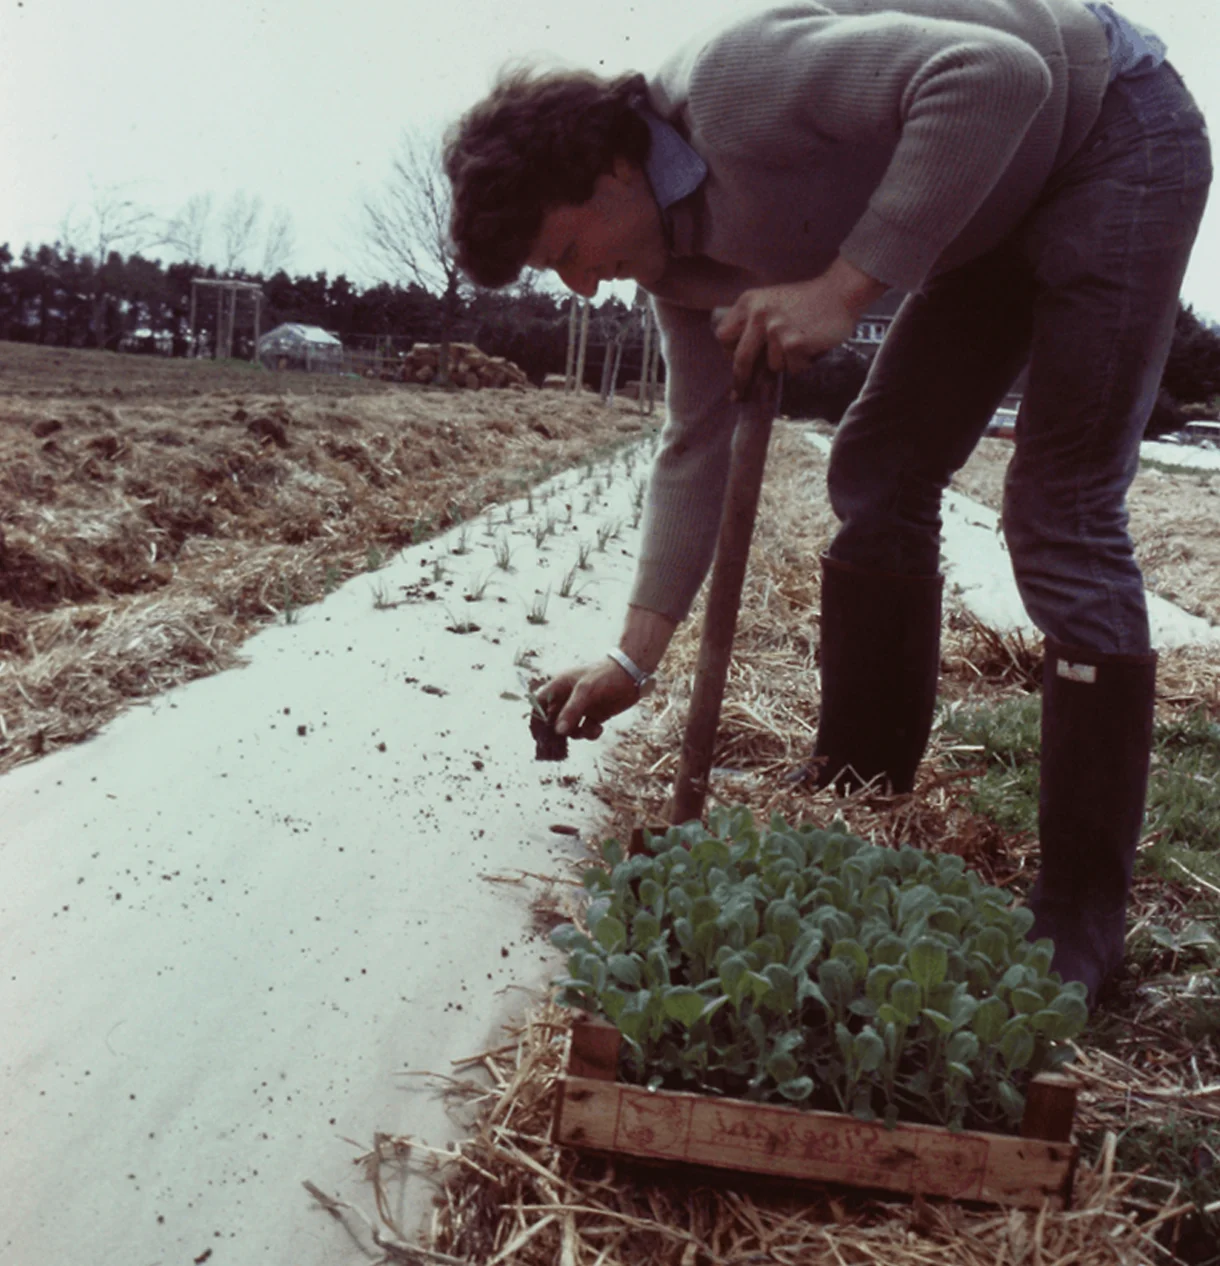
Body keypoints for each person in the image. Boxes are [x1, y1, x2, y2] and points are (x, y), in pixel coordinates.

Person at [443, 0, 1211, 1004]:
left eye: (566, 252)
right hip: (988, 207)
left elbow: (998, 80)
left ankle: (1078, 911)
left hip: (1106, 128)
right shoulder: (677, 269)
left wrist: (841, 292)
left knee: (1057, 510)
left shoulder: (734, 85)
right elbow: (694, 444)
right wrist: (635, 656)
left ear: (611, 171)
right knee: (878, 464)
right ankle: (863, 782)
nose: (582, 288)